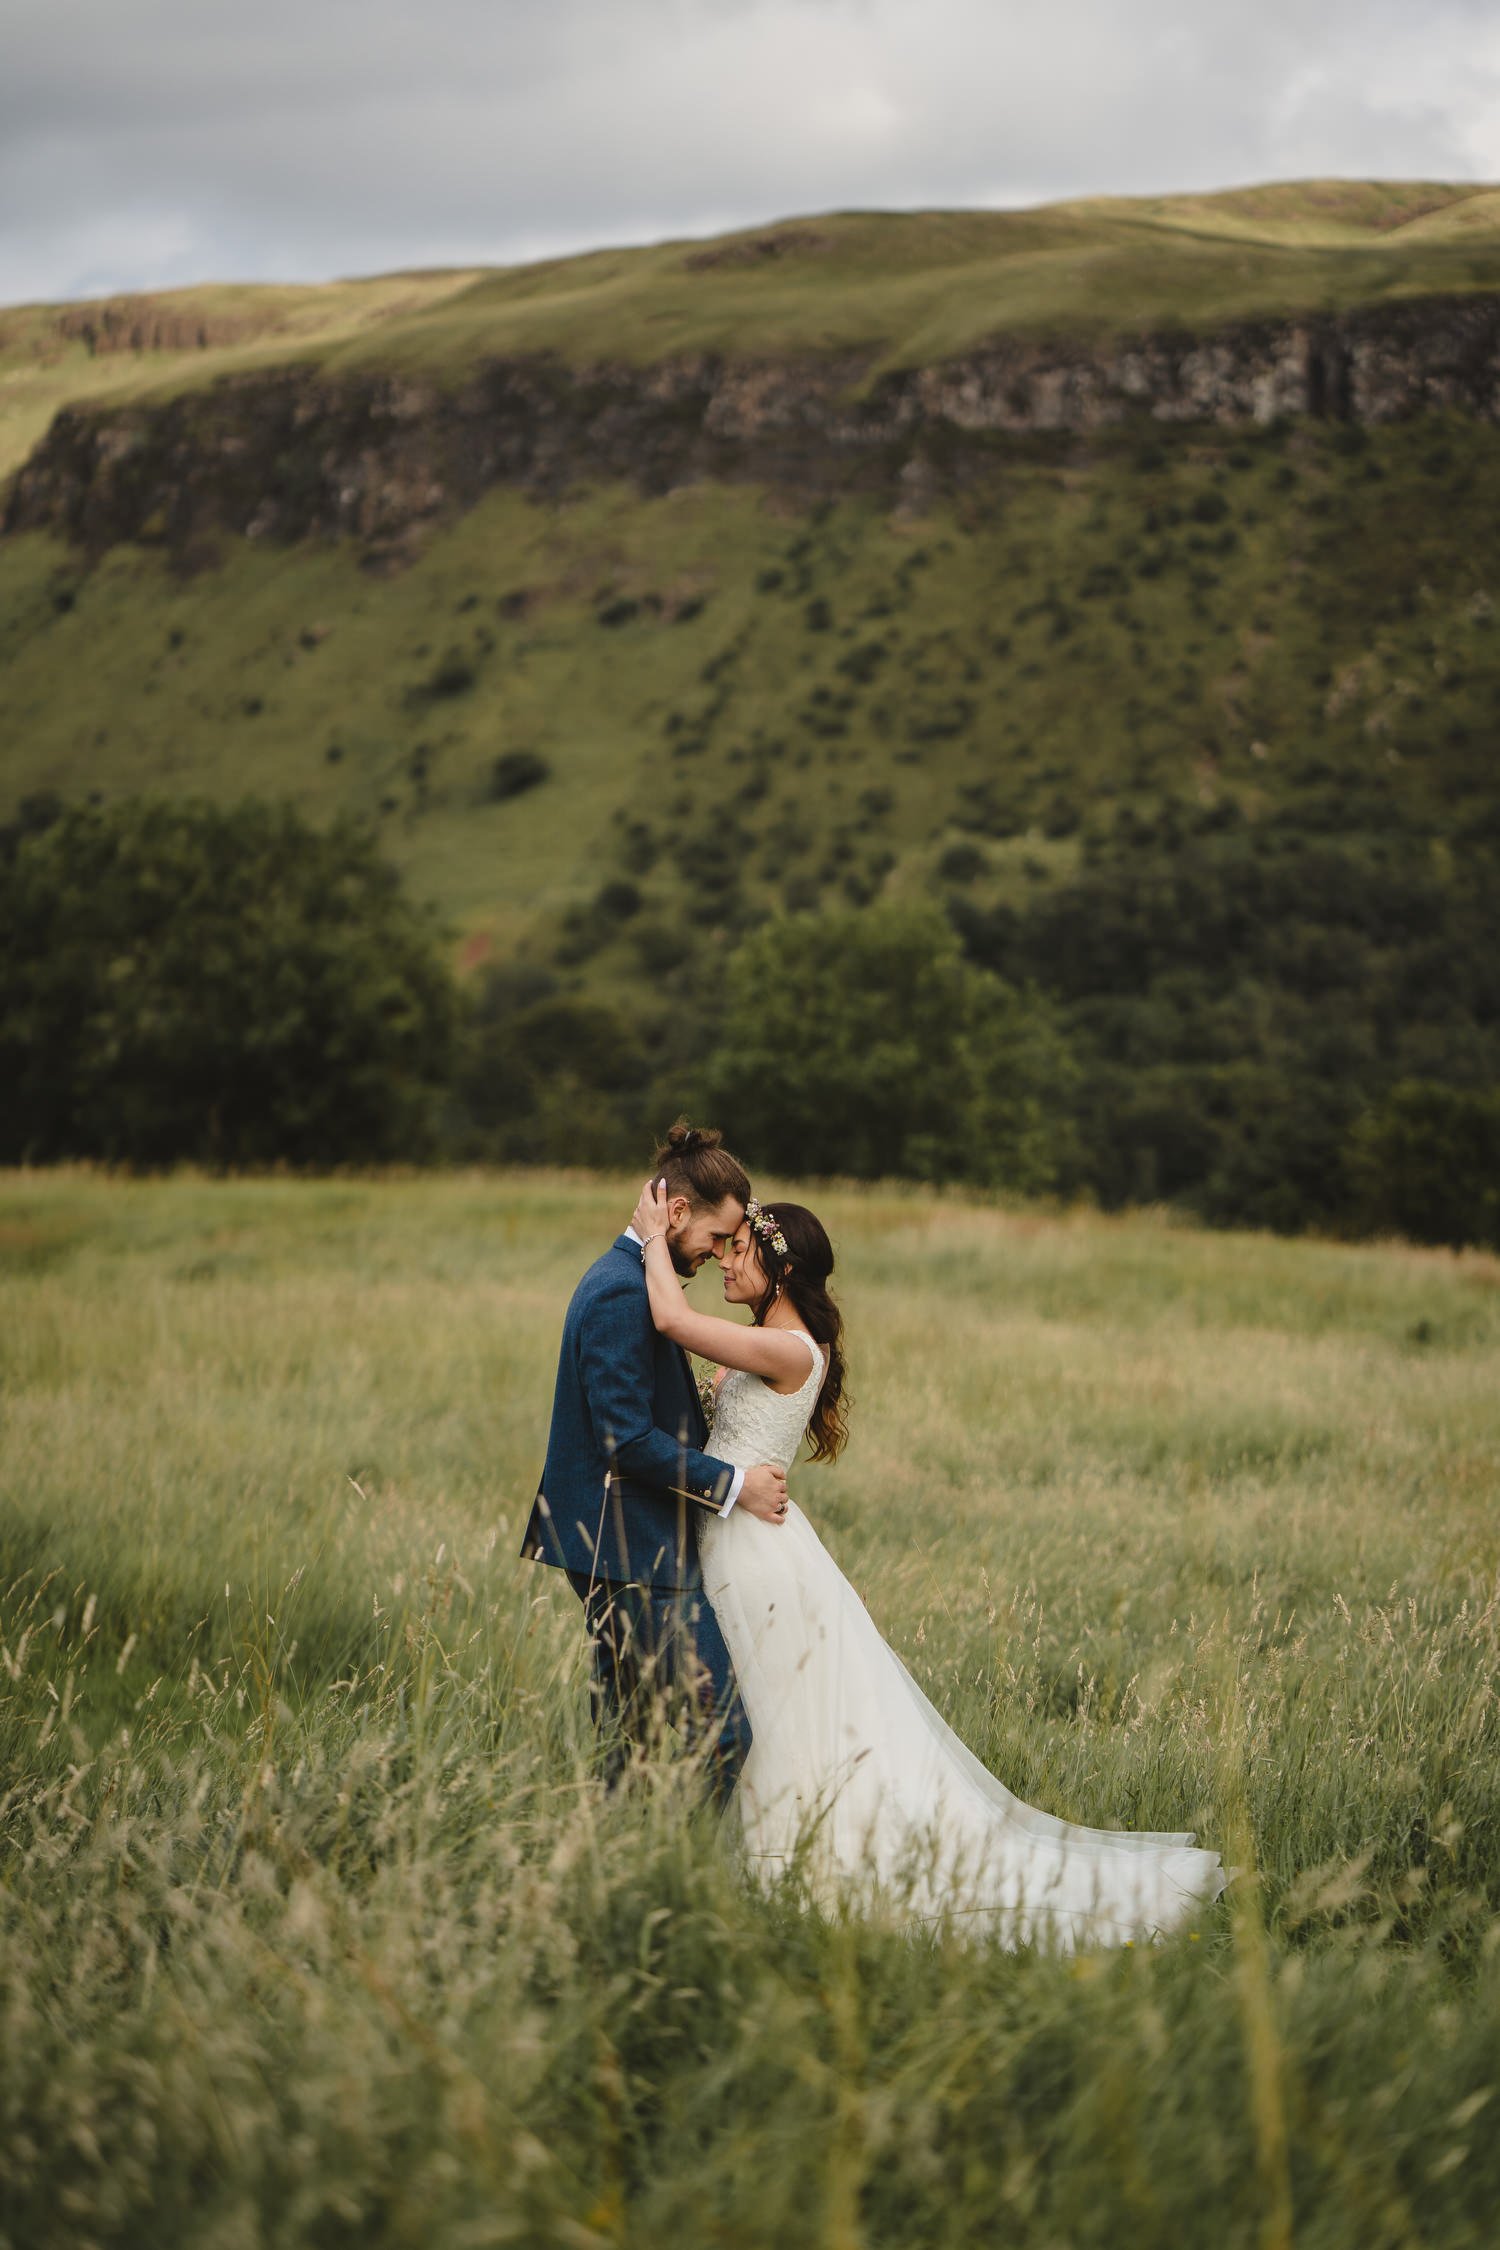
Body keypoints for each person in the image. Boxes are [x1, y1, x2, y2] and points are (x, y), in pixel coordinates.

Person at [629, 1175, 1227, 1948]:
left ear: (782, 1268)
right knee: (767, 1712)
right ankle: (750, 1859)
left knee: (777, 1714)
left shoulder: (788, 1347)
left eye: (740, 1249)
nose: (725, 1259)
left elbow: (671, 1319)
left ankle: (792, 1865)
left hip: (756, 1551)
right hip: (737, 1530)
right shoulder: (765, 1345)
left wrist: (650, 1236)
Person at [519, 1123, 791, 1805]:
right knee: (725, 1731)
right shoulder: (620, 1290)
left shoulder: (636, 1277)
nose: (719, 1252)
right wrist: (735, 1484)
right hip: (628, 1548)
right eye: (717, 1236)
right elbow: (626, 1439)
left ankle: (616, 1846)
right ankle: (693, 1854)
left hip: (622, 1543)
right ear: (677, 1212)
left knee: (627, 1731)